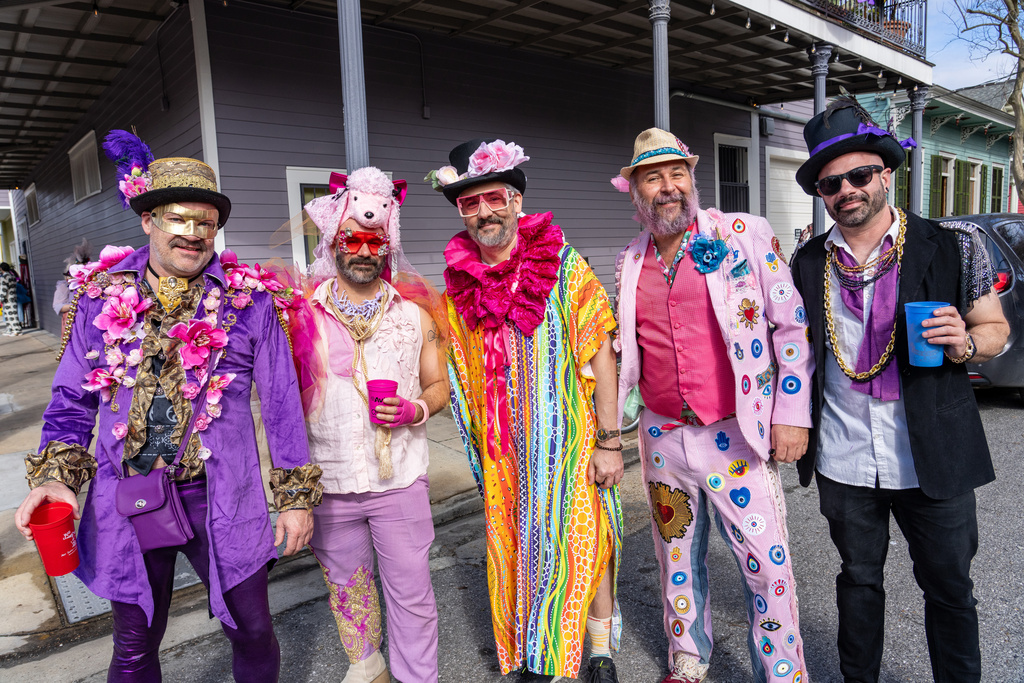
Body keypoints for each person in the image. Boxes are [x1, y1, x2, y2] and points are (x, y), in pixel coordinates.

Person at [14, 130, 323, 682]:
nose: (193, 234)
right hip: (126, 495)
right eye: (178, 219)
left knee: (251, 630)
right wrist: (60, 478)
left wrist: (295, 497)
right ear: (148, 220)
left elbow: (280, 407)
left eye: (206, 223)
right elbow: (70, 399)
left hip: (222, 497)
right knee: (134, 644)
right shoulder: (96, 298)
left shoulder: (250, 304)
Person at [789, 97, 1010, 683]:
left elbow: (996, 329)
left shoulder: (953, 245)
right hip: (844, 455)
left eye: (859, 176)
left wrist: (965, 342)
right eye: (830, 184)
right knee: (858, 582)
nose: (846, 191)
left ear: (886, 174)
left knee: (950, 590)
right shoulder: (806, 262)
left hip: (931, 454)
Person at [613, 128, 815, 683]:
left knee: (766, 568)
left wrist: (790, 416)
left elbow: (791, 328)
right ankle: (688, 658)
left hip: (735, 434)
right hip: (660, 439)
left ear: (691, 180)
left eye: (677, 174)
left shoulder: (742, 234)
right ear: (635, 192)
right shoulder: (630, 260)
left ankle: (783, 673)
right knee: (675, 560)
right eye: (653, 178)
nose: (668, 187)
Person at [427, 138, 624, 682]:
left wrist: (610, 441)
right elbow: (459, 366)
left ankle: (594, 651)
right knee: (517, 549)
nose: (483, 211)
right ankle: (529, 653)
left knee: (584, 541)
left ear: (516, 200)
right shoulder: (459, 282)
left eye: (493, 197)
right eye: (470, 203)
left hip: (568, 445)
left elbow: (600, 353)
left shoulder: (562, 264)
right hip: (503, 455)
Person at [293, 166, 448, 683]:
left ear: (387, 247)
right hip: (331, 484)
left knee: (412, 595)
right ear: (334, 241)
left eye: (373, 242)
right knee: (348, 590)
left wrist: (415, 411)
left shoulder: (415, 316)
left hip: (399, 480)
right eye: (352, 240)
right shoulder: (301, 317)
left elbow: (439, 387)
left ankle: (416, 679)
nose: (362, 251)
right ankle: (368, 668)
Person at [0, 262, 20, 335]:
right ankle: (11, 329)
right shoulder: (12, 276)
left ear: (1, 268)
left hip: (7, 298)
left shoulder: (4, 278)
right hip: (13, 296)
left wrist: (1, 299)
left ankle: (15, 330)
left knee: (10, 314)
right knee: (12, 313)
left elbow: (3, 289)